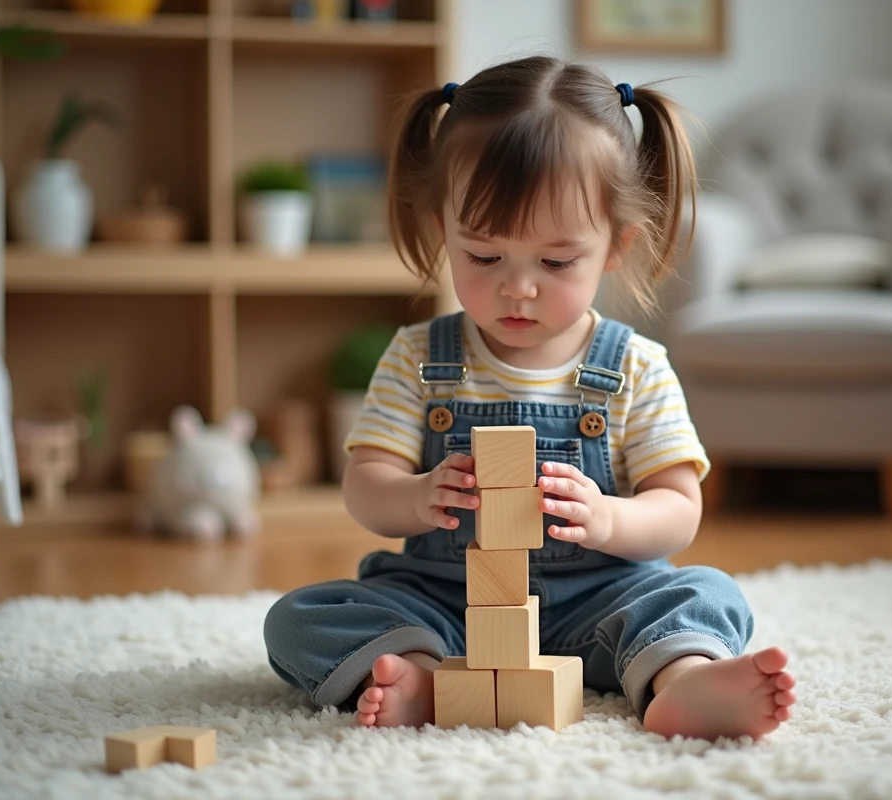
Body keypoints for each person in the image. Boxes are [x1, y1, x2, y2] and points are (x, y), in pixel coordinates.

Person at [263, 55, 796, 741]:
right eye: (484, 257)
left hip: (601, 605)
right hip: (448, 607)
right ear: (442, 228)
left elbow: (678, 509)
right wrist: (417, 496)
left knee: (706, 593)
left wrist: (608, 518)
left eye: (555, 261)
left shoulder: (635, 366)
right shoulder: (419, 357)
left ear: (615, 245)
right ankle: (422, 676)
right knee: (298, 617)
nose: (518, 288)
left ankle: (681, 678)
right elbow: (366, 487)